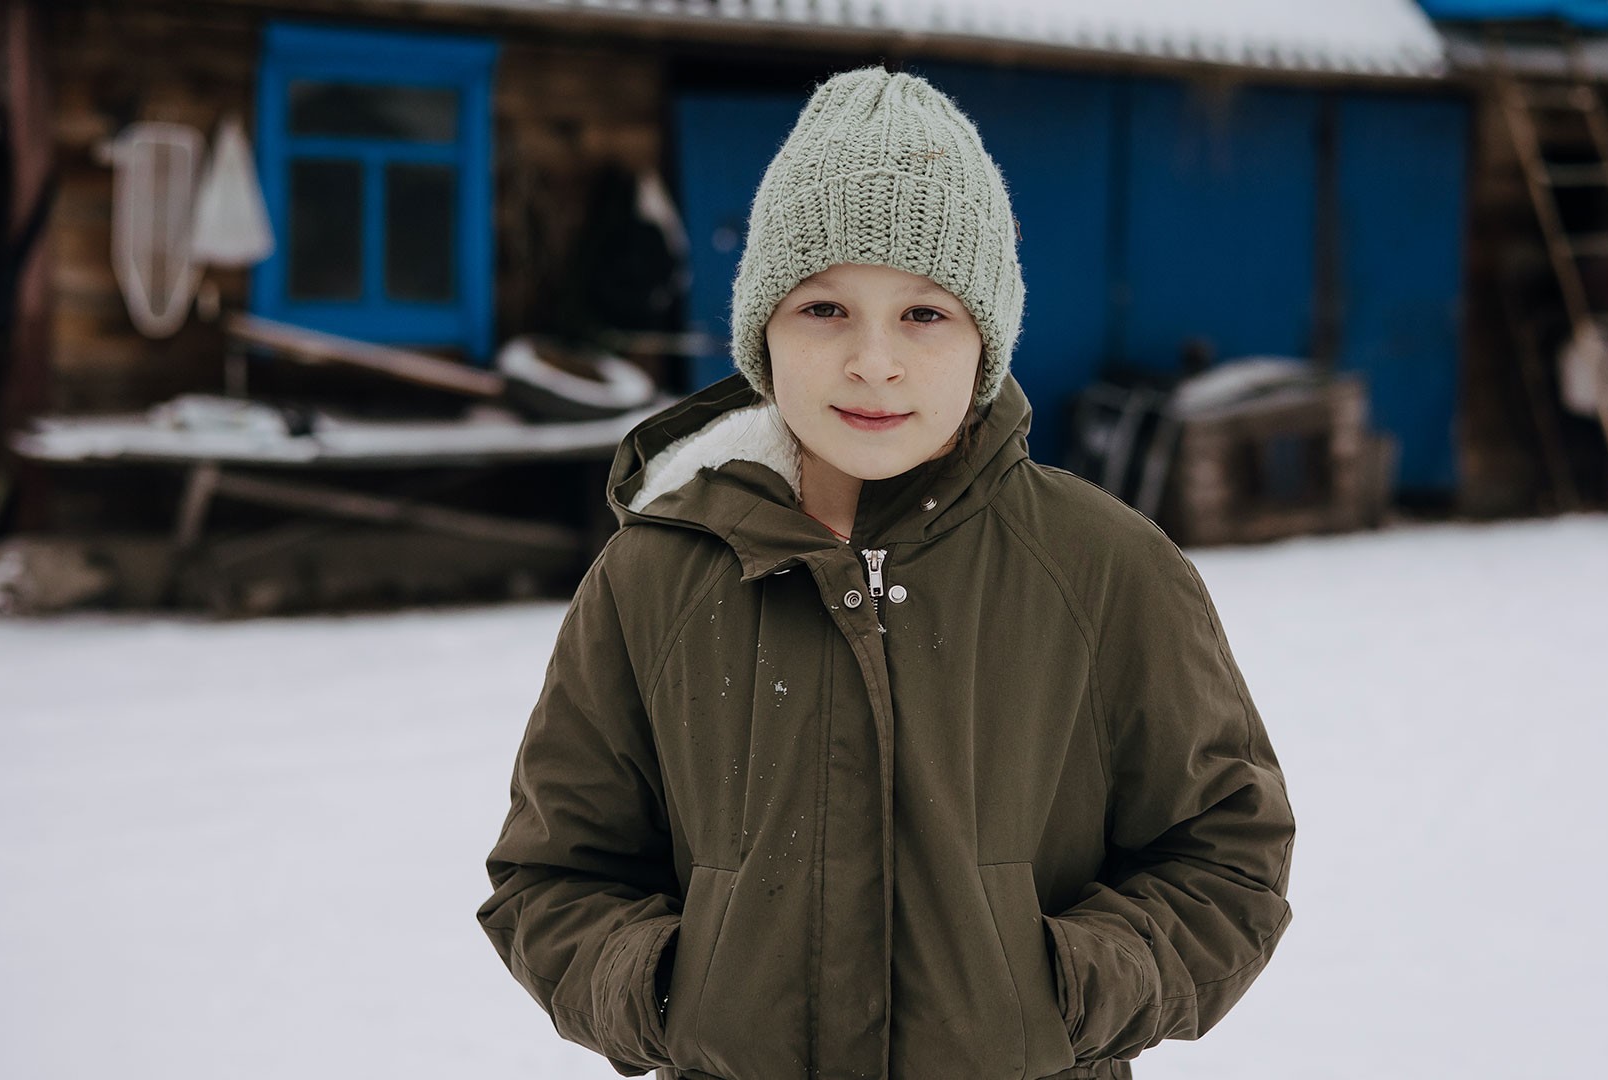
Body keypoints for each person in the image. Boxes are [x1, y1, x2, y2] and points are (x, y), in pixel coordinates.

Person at [477, 65, 1295, 1080]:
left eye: (925, 314)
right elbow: (553, 876)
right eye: (824, 308)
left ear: (986, 339)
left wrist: (1070, 989)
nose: (874, 361)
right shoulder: (655, 576)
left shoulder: (1106, 571)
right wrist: (671, 993)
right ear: (762, 332)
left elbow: (1228, 857)